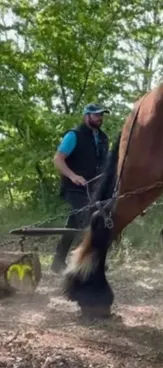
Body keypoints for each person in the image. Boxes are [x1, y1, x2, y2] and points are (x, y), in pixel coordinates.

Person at [50, 103, 110, 274]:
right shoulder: (73, 135)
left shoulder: (104, 138)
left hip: (94, 189)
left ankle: (58, 261)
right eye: (96, 115)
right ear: (86, 116)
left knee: (73, 223)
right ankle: (90, 261)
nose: (100, 118)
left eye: (101, 115)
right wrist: (73, 176)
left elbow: (106, 165)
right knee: (90, 219)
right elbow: (58, 160)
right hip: (74, 189)